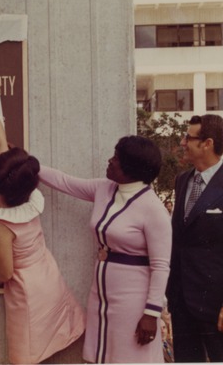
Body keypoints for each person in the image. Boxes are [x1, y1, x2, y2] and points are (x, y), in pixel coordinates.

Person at [35, 121, 172, 362]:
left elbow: (161, 265)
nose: (110, 160)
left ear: (133, 167)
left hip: (134, 300)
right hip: (101, 294)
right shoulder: (105, 189)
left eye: (117, 158)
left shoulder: (154, 210)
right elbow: (64, 182)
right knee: (101, 355)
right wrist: (29, 163)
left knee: (128, 357)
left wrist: (152, 312)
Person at [0, 84, 85, 364]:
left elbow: (5, 271)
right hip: (47, 277)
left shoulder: (0, 224)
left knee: (23, 355)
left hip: (26, 292)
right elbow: (1, 147)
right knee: (46, 345)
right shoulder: (30, 200)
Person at [166, 114, 223, 362]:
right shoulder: (182, 181)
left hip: (216, 308)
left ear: (207, 143)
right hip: (180, 302)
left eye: (188, 137)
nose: (183, 142)